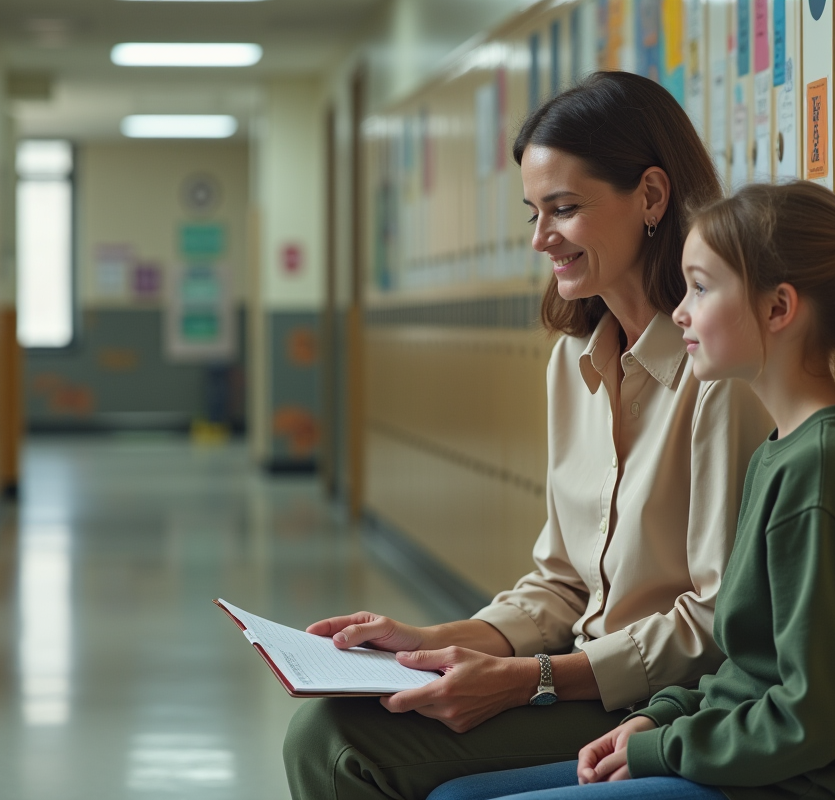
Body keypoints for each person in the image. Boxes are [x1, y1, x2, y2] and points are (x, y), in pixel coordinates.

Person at [282, 72, 773, 800]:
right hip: (578, 677)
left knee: (342, 746)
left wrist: (528, 679)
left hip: (667, 704)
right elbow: (562, 583)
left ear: (650, 196)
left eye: (564, 209)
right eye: (534, 213)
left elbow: (715, 621)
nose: (541, 238)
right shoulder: (572, 363)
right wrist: (429, 644)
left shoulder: (720, 375)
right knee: (330, 726)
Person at [426, 181, 835, 800]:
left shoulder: (824, 470)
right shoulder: (783, 450)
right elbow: (748, 667)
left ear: (778, 309)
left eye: (701, 288)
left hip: (798, 785)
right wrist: (659, 717)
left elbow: (807, 719)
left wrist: (662, 747)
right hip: (739, 753)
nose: (680, 312)